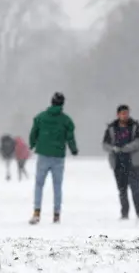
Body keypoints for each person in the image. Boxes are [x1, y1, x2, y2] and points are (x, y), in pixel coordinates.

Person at [28, 92, 78, 224]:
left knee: (39, 184)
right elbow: (70, 136)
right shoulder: (66, 120)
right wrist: (73, 149)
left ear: (51, 102)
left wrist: (32, 144)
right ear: (62, 104)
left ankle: (37, 212)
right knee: (57, 186)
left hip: (43, 154)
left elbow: (34, 132)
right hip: (58, 156)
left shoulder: (41, 117)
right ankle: (56, 214)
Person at [102, 105, 139, 220]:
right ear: (118, 114)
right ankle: (124, 213)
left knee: (135, 188)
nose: (125, 115)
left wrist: (125, 148)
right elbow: (105, 144)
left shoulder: (135, 127)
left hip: (133, 163)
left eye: (126, 113)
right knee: (122, 190)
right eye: (122, 113)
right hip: (118, 163)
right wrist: (113, 148)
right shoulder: (111, 128)